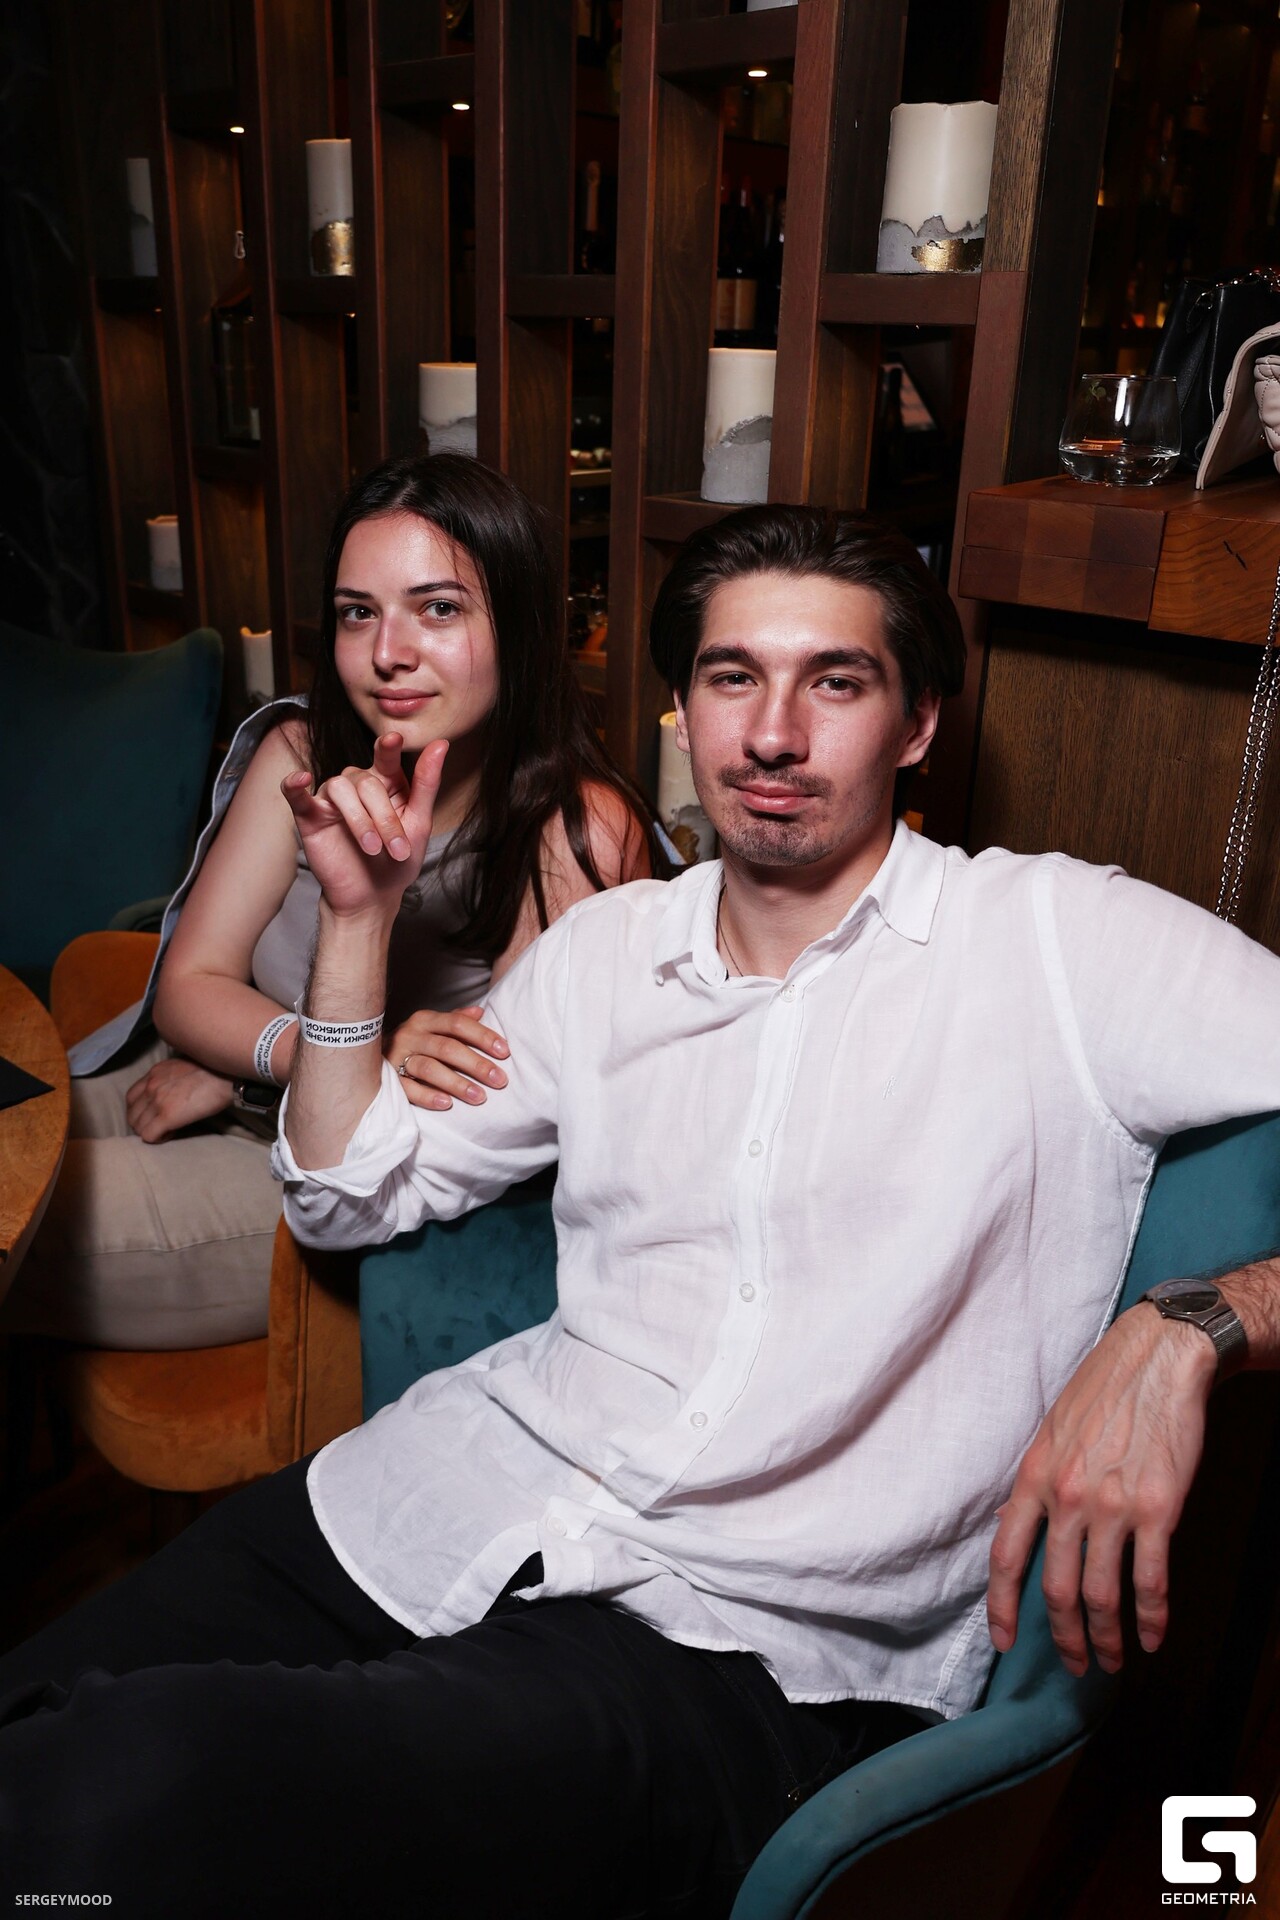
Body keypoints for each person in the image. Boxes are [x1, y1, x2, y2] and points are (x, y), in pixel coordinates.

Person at [3, 506, 1279, 1918]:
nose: (773, 734)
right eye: (733, 678)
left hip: (737, 1644)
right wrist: (357, 924)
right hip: (439, 1501)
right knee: (35, 1713)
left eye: (834, 682)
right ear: (683, 707)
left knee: (127, 1793)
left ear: (916, 723)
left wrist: (1195, 1323)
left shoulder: (1057, 942)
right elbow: (349, 1199)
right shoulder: (606, 954)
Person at [1, 452, 663, 1350]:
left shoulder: (576, 830)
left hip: (319, 1179)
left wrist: (268, 1069)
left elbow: (496, 1121)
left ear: (519, 623)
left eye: (439, 608)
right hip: (213, 1074)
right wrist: (284, 1058)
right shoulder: (301, 752)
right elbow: (188, 986)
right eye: (359, 612)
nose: (388, 653)